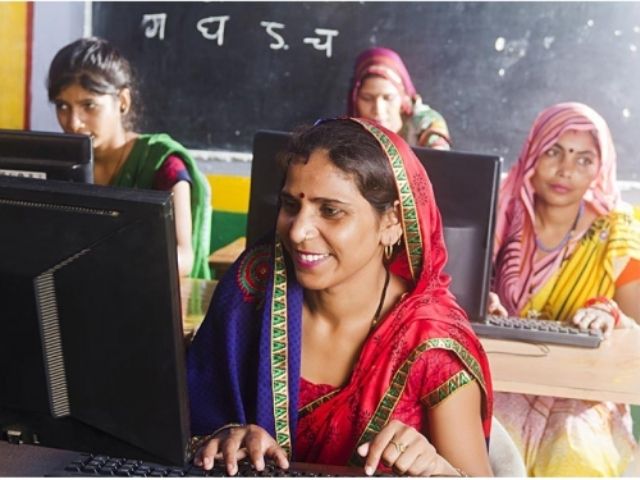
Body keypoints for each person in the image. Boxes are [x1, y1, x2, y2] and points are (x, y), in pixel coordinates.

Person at [187, 118, 493, 476]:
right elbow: (184, 425)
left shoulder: (432, 346)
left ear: (392, 222)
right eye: (290, 205)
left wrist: (437, 469)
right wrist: (223, 438)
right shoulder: (254, 288)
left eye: (330, 210)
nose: (299, 231)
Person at [488, 102, 640, 476]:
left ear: (599, 169)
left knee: (573, 451)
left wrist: (609, 311)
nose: (566, 170)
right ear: (533, 152)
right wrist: (478, 302)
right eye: (554, 151)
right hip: (502, 378)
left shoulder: (614, 232)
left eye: (584, 159)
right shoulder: (502, 215)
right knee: (490, 447)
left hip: (583, 394)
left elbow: (636, 321)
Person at [47, 37, 211, 279]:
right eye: (62, 106)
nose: (73, 122)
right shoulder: (59, 164)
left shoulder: (162, 164)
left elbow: (183, 256)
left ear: (122, 102)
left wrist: (119, 270)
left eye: (89, 106)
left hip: (145, 297)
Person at [347, 47, 451, 150]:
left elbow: (440, 157)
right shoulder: (348, 133)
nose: (378, 109)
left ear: (403, 98)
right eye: (367, 98)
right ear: (355, 100)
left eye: (388, 98)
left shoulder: (425, 122)